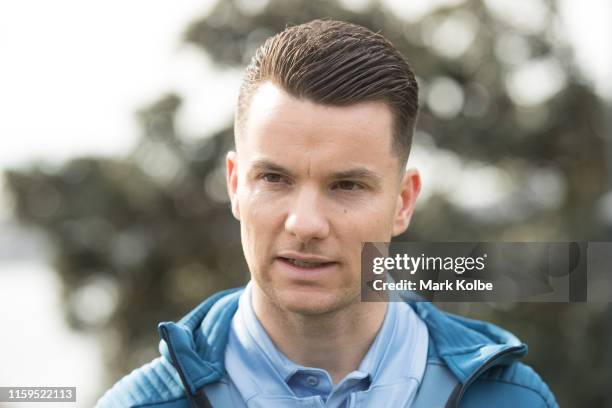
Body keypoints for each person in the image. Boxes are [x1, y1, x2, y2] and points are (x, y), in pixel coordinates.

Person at [96, 19, 558, 407]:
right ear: (235, 185)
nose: (306, 224)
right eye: (275, 179)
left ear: (403, 202)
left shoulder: (514, 399)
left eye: (347, 186)